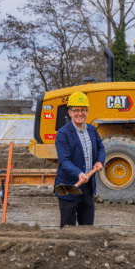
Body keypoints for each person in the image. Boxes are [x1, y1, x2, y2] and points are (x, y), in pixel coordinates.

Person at [54, 92, 105, 228]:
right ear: (70, 113)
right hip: (70, 186)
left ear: (87, 112)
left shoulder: (92, 130)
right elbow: (64, 161)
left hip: (87, 188)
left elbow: (101, 148)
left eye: (83, 110)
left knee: (87, 227)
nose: (80, 113)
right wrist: (79, 173)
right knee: (68, 228)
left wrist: (100, 161)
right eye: (76, 110)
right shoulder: (62, 134)